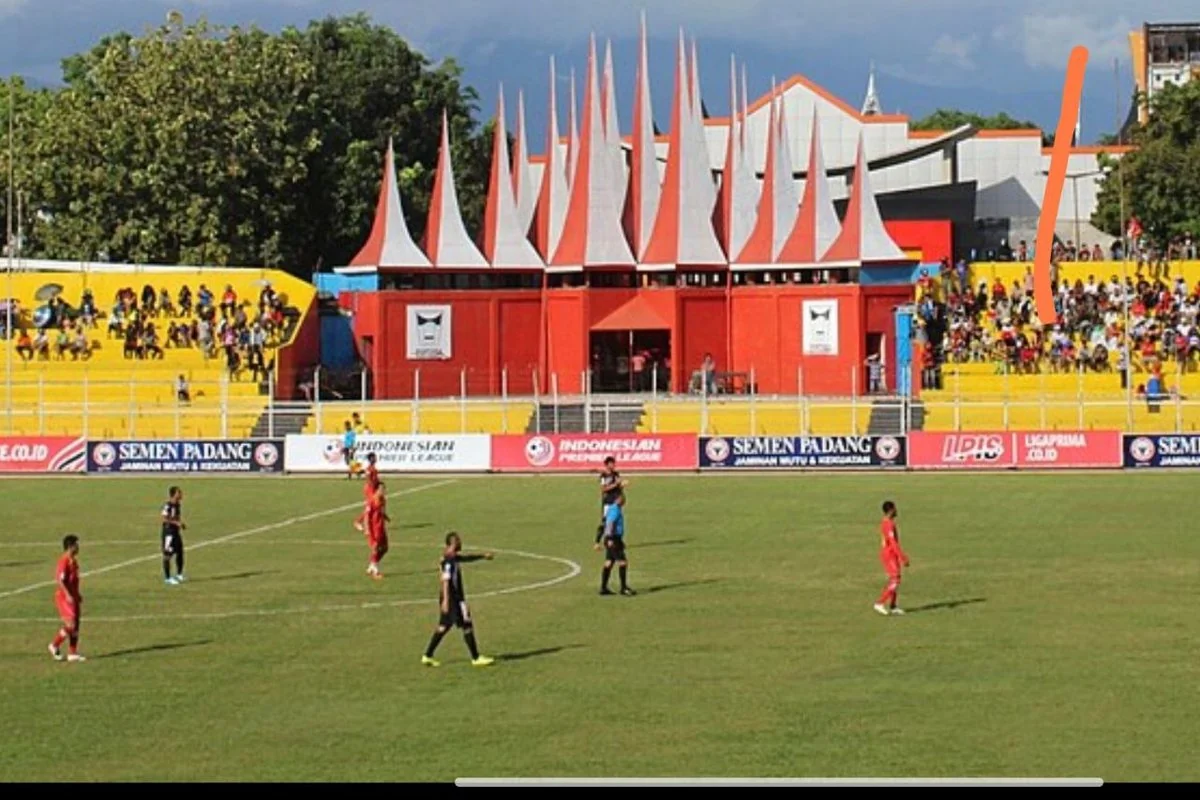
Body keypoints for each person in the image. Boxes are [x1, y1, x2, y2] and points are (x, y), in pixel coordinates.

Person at [422, 532, 495, 668]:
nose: (461, 543)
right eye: (458, 541)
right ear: (453, 543)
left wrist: (482, 556)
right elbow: (445, 580)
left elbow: (466, 558)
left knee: (443, 626)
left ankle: (427, 655)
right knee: (467, 624)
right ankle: (476, 658)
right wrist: (446, 600)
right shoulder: (448, 561)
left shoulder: (451, 558)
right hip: (453, 599)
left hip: (450, 598)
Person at [49, 535, 85, 663]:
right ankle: (54, 645)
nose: (78, 547)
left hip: (73, 596)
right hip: (64, 598)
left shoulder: (73, 561)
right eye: (76, 544)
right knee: (71, 625)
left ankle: (72, 653)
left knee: (76, 625)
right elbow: (60, 580)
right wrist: (68, 594)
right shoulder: (63, 561)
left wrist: (77, 594)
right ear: (70, 547)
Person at [874, 501, 910, 616]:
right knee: (895, 579)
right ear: (890, 510)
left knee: (895, 579)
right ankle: (880, 603)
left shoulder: (887, 522)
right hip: (889, 554)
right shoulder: (888, 524)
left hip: (891, 553)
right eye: (895, 508)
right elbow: (893, 542)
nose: (896, 510)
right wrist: (902, 557)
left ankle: (893, 606)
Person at [596, 492, 635, 596]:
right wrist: (610, 539)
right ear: (618, 499)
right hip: (613, 539)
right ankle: (623, 588)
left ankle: (603, 588)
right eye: (623, 498)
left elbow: (604, 523)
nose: (624, 501)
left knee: (609, 562)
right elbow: (610, 524)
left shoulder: (611, 509)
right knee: (623, 562)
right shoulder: (615, 510)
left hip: (613, 538)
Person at [355, 482, 390, 579]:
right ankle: (375, 571)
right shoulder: (371, 501)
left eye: (384, 489)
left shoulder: (383, 499)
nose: (383, 491)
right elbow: (366, 516)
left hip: (381, 527)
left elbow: (381, 511)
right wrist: (367, 529)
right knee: (375, 548)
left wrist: (386, 517)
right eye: (382, 489)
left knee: (385, 548)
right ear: (377, 490)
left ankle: (371, 566)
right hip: (373, 529)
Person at [594, 457, 625, 544]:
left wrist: (622, 485)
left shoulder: (616, 474)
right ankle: (597, 542)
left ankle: (617, 541)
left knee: (617, 521)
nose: (614, 465)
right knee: (605, 522)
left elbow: (619, 486)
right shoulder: (603, 476)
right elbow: (603, 489)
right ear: (607, 465)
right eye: (612, 463)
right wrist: (615, 484)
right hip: (608, 502)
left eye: (614, 463)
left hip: (616, 501)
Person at [162, 486, 187, 585]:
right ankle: (167, 578)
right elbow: (164, 518)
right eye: (179, 493)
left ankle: (179, 574)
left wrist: (180, 523)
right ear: (173, 494)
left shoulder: (178, 505)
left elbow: (176, 517)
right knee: (167, 555)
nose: (181, 494)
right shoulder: (168, 505)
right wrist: (176, 523)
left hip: (176, 532)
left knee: (180, 552)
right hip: (169, 533)